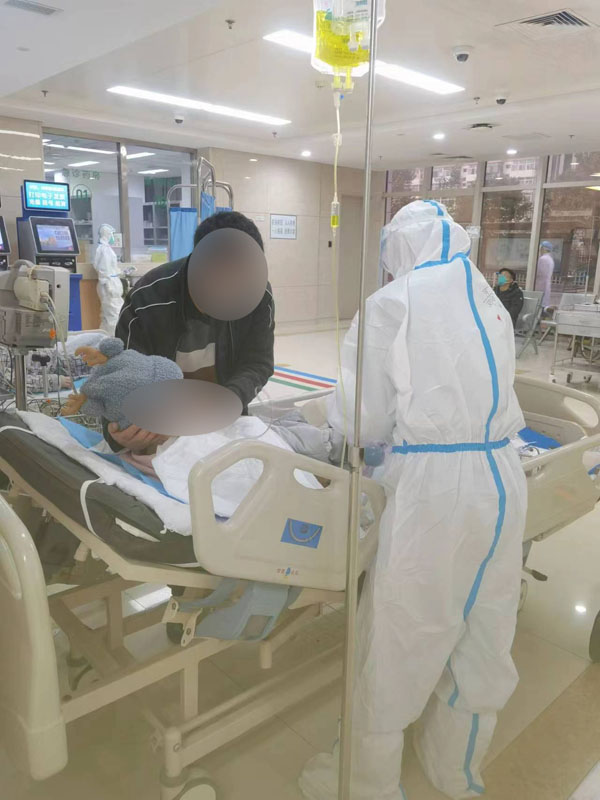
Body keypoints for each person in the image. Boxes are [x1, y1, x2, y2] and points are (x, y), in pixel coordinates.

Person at [300, 201, 527, 800]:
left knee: (402, 631)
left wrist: (352, 435)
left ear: (399, 246)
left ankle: (366, 783)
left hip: (435, 487)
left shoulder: (391, 303)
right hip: (503, 474)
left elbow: (363, 420)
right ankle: (456, 770)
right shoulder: (488, 296)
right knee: (486, 625)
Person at [104, 211, 274, 453]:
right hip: (159, 431)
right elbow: (122, 378)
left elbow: (258, 363)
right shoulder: (147, 300)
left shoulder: (256, 295)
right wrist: (121, 433)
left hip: (222, 425)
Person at [94, 223, 124, 334]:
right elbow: (103, 269)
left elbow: (110, 268)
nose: (113, 237)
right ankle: (113, 339)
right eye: (112, 234)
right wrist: (109, 285)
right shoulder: (104, 250)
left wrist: (120, 272)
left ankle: (104, 338)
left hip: (110, 283)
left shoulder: (106, 249)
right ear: (107, 234)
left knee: (107, 315)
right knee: (113, 315)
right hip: (108, 286)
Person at [535, 241, 555, 310]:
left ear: (543, 248)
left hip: (540, 284)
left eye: (541, 248)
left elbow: (538, 272)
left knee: (540, 304)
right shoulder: (550, 259)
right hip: (546, 284)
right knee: (544, 302)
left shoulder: (543, 259)